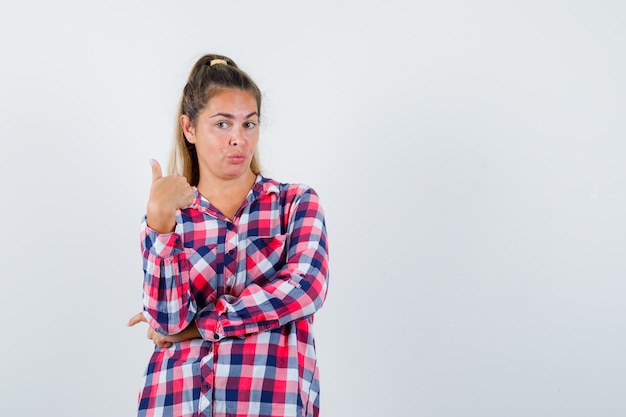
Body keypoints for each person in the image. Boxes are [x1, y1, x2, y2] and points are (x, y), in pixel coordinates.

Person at [127, 54, 330, 417]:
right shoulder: (171, 219)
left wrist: (198, 327)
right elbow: (166, 322)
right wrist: (159, 223)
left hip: (269, 402)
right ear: (189, 128)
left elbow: (303, 291)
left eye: (249, 124)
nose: (238, 139)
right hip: (176, 401)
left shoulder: (294, 203)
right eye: (222, 124)